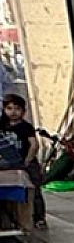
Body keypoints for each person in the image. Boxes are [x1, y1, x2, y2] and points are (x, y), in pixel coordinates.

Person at [1, 93, 45, 228]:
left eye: (17, 108)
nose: (13, 112)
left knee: (33, 190)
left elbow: (34, 145)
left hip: (28, 163)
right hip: (8, 164)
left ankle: (39, 217)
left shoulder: (26, 127)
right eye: (9, 108)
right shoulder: (2, 125)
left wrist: (27, 161)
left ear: (23, 111)